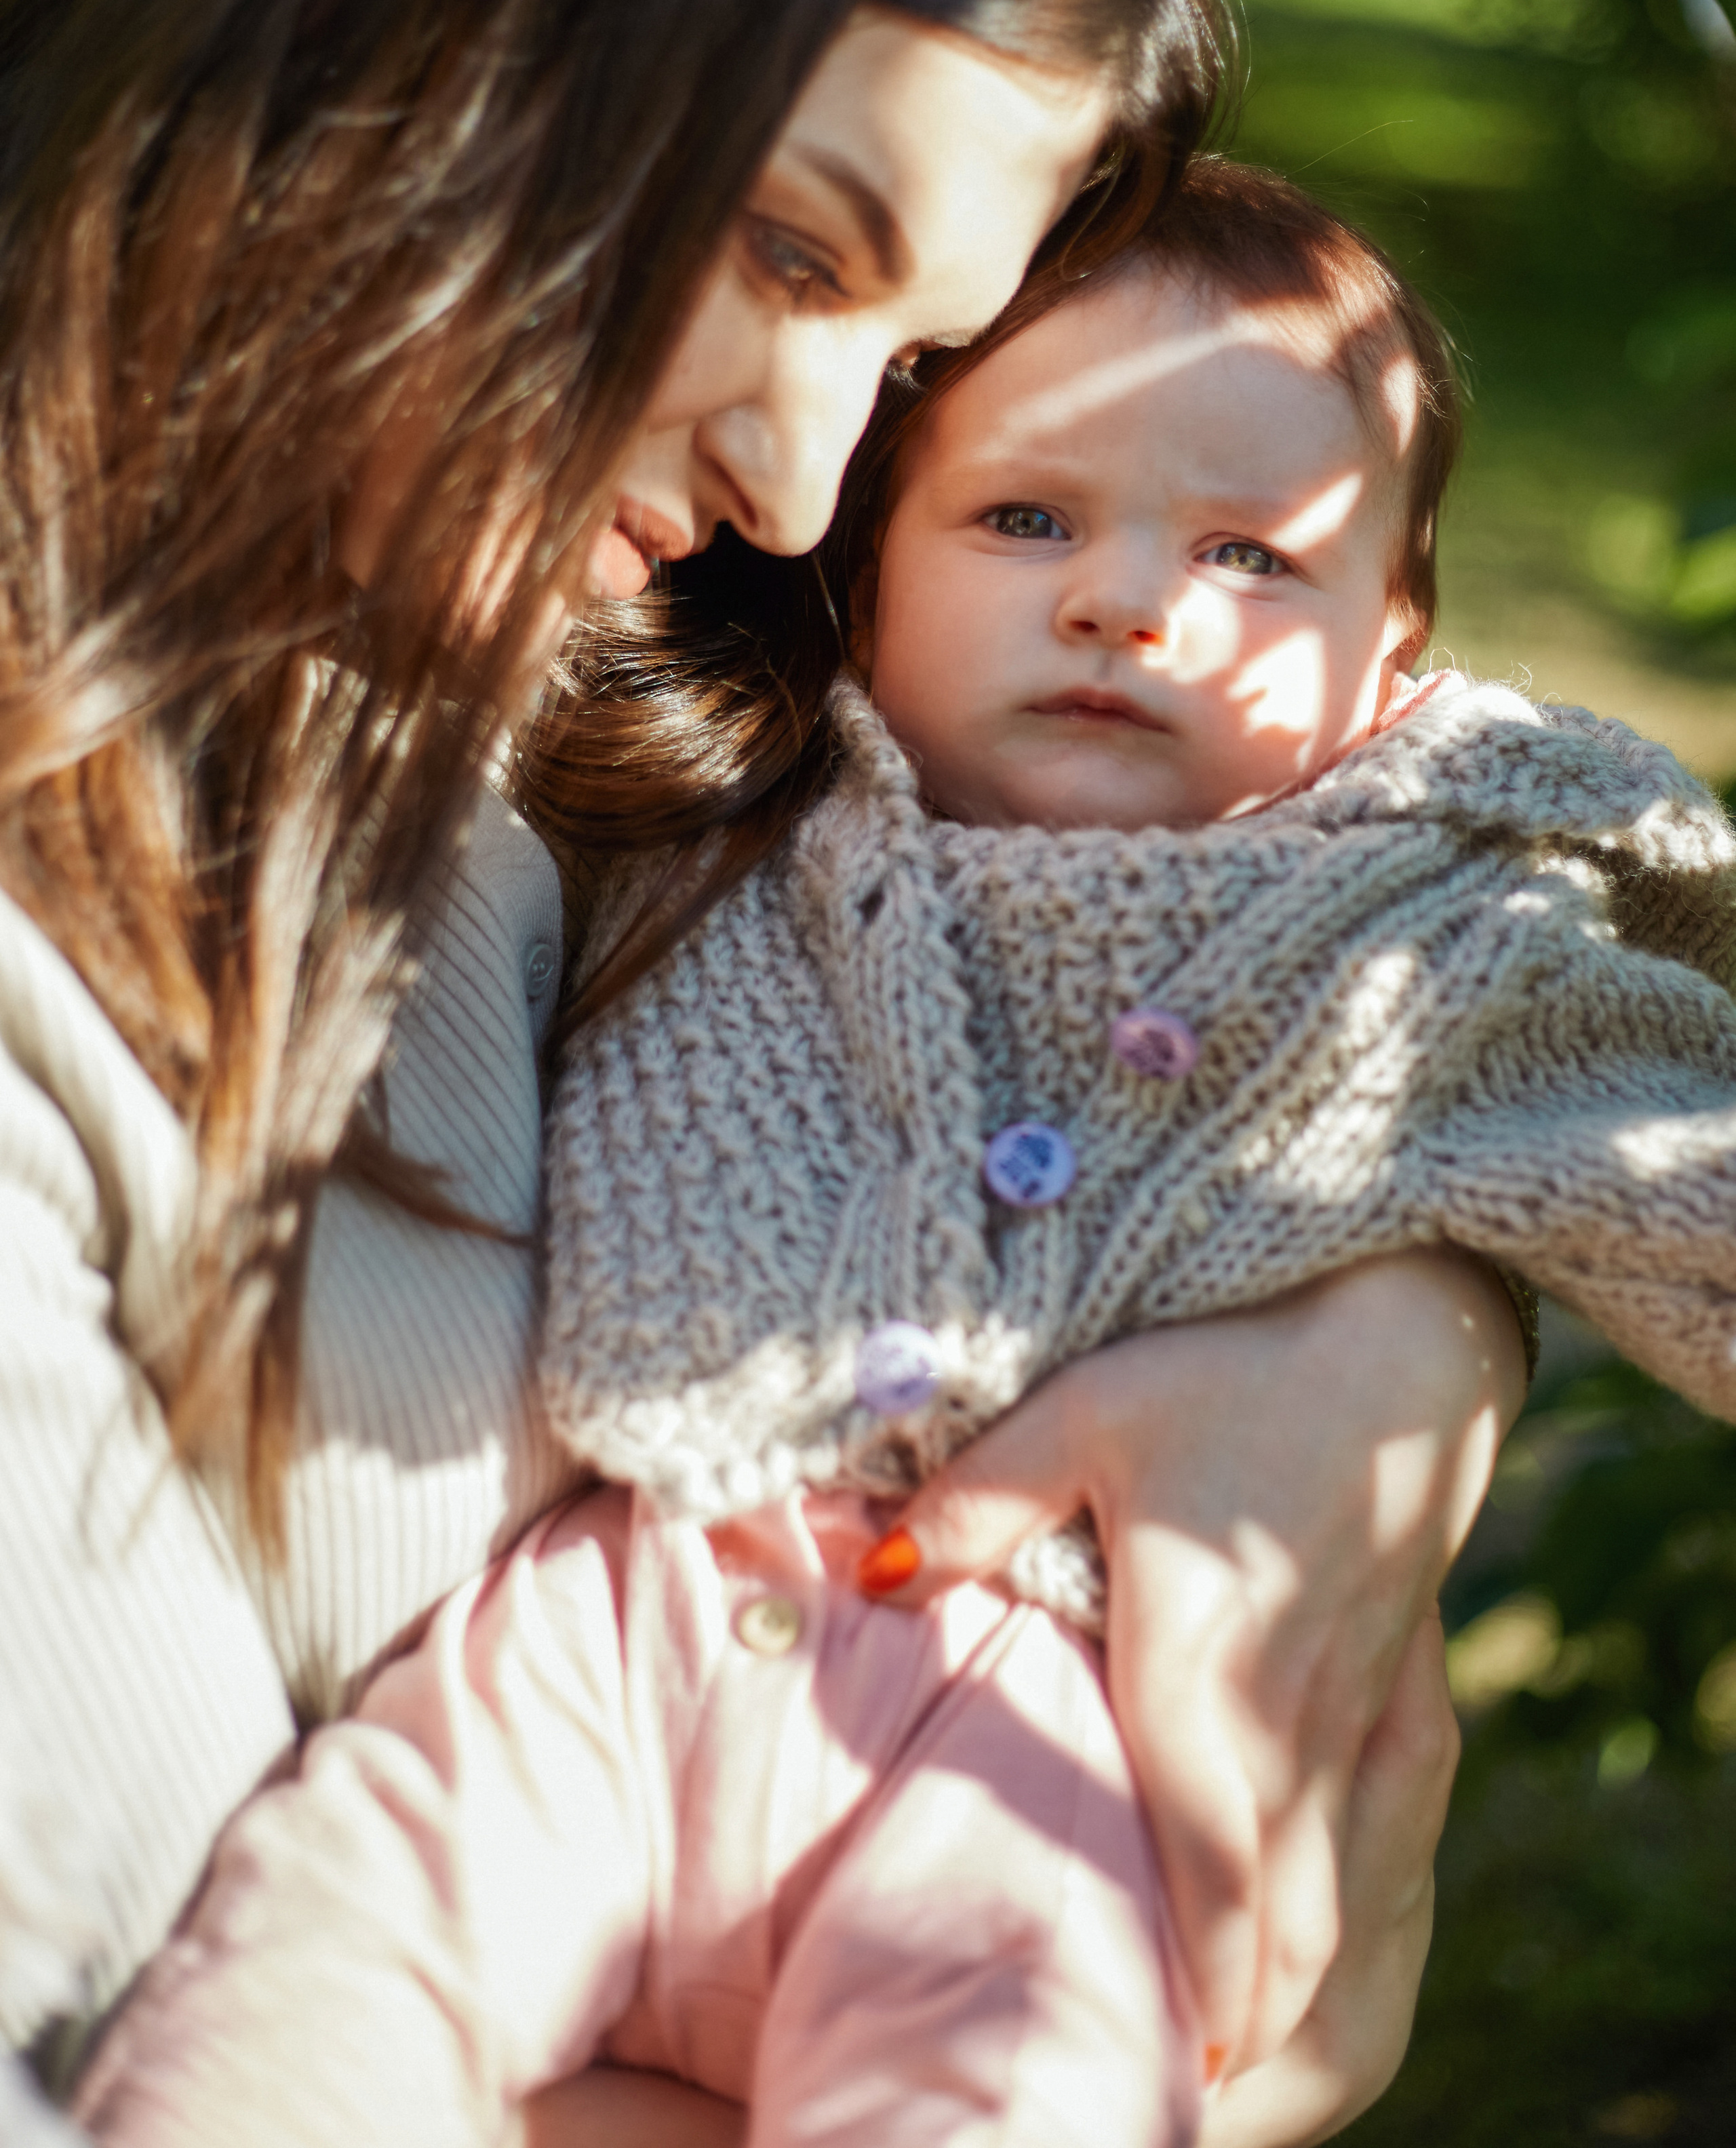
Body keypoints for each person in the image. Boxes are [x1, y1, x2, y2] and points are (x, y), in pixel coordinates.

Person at [0, 0, 1524, 2134]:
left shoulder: (585, 696)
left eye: (913, 356)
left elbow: (1396, 896)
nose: (806, 477)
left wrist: (1371, 1337)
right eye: (781, 246)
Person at [79, 159, 1733, 2148]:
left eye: (1251, 556)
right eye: (1026, 518)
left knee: (1002, 2087)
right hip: (608, 1638)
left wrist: (1426, 1323)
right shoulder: (704, 829)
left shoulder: (1430, 951)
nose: (1127, 598)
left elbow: (1683, 1167)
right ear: (867, 580)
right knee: (302, 1995)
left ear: (1394, 658)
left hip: (1042, 1738)